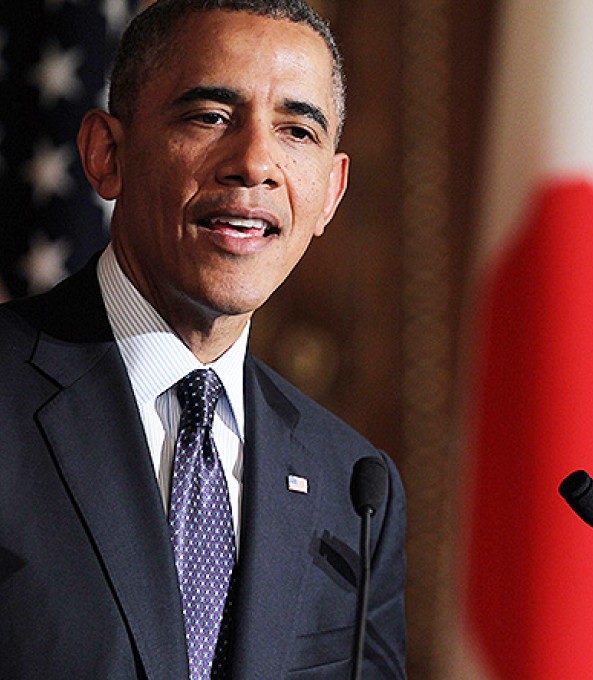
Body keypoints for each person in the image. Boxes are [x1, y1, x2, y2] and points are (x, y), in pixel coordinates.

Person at [0, 1, 406, 678]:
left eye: (297, 132)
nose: (254, 164)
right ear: (107, 153)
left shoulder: (354, 487)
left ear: (331, 194)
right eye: (210, 116)